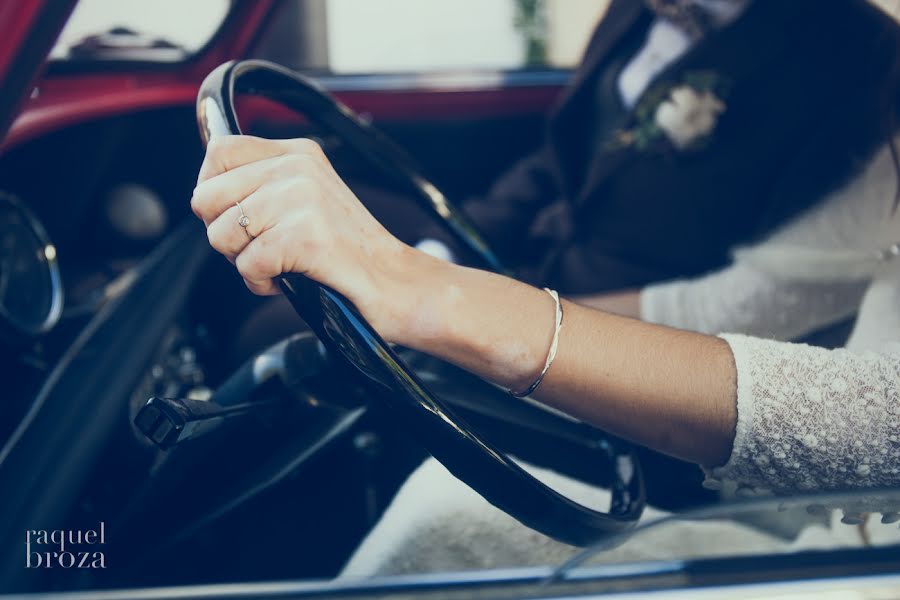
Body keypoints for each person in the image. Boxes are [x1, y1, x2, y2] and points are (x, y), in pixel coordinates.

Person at [237, 0, 900, 508]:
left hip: (628, 359)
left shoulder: (861, 58)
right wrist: (440, 250)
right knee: (279, 231)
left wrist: (470, 308)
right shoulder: (637, 10)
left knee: (295, 337)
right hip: (522, 261)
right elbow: (556, 165)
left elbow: (750, 309)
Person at [190, 103, 900, 572]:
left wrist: (428, 290)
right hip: (827, 526)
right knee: (436, 512)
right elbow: (557, 161)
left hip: (861, 563)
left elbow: (879, 421)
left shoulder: (850, 52)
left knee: (437, 513)